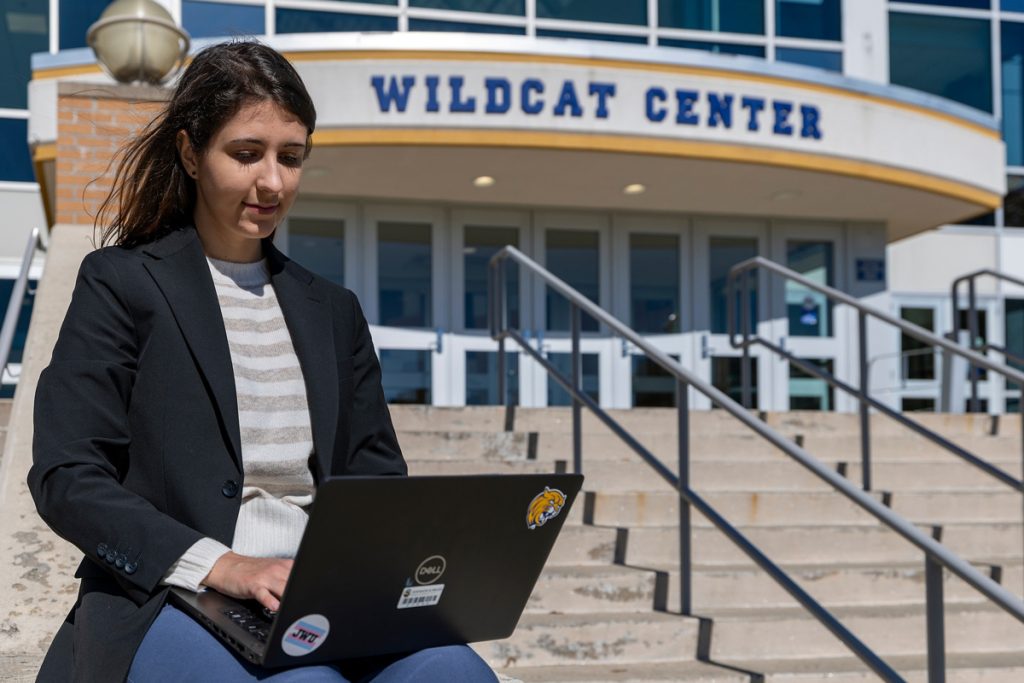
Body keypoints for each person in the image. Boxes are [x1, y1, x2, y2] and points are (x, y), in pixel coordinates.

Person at [28, 41, 498, 683]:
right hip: (176, 591)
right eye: (247, 154)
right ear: (192, 154)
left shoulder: (333, 310)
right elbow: (67, 474)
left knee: (457, 675)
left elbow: (374, 480)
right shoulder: (122, 284)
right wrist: (223, 565)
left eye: (291, 157)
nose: (273, 182)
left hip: (321, 594)